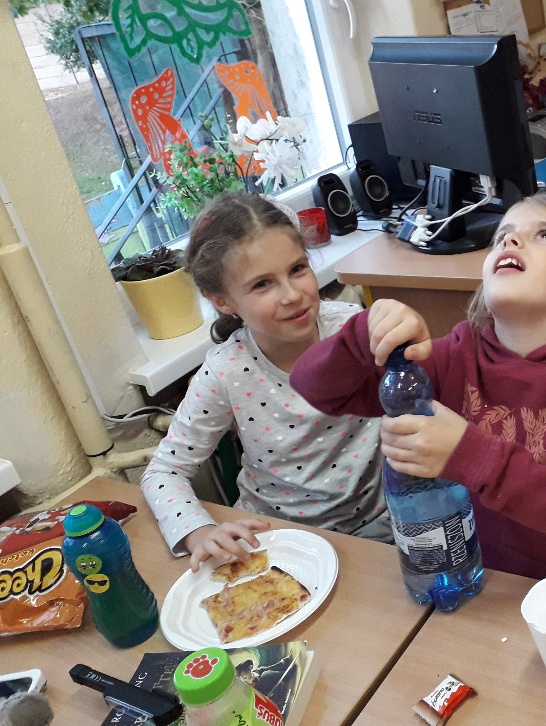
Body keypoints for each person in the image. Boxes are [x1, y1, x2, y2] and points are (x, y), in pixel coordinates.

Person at [290, 193, 546, 601]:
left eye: (544, 234)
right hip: (487, 593)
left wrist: (471, 454)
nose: (510, 241)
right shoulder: (455, 355)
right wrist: (365, 332)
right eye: (503, 236)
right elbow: (313, 385)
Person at [142, 193, 392, 571]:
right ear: (223, 300)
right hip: (277, 539)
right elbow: (164, 471)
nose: (292, 295)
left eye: (298, 269)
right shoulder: (226, 371)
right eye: (262, 284)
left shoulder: (353, 328)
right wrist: (198, 531)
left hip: (379, 527)